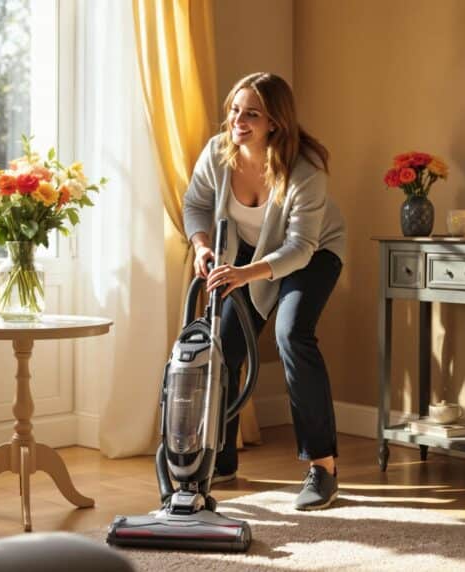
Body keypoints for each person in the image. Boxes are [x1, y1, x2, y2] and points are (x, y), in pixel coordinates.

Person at [182, 72, 346, 511]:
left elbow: (300, 246)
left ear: (275, 121)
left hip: (311, 255)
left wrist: (244, 273)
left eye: (251, 113)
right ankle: (220, 455)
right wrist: (201, 246)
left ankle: (323, 468)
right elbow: (195, 204)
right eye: (235, 109)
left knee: (291, 334)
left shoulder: (305, 168)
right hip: (249, 255)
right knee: (223, 346)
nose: (238, 120)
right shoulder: (218, 155)